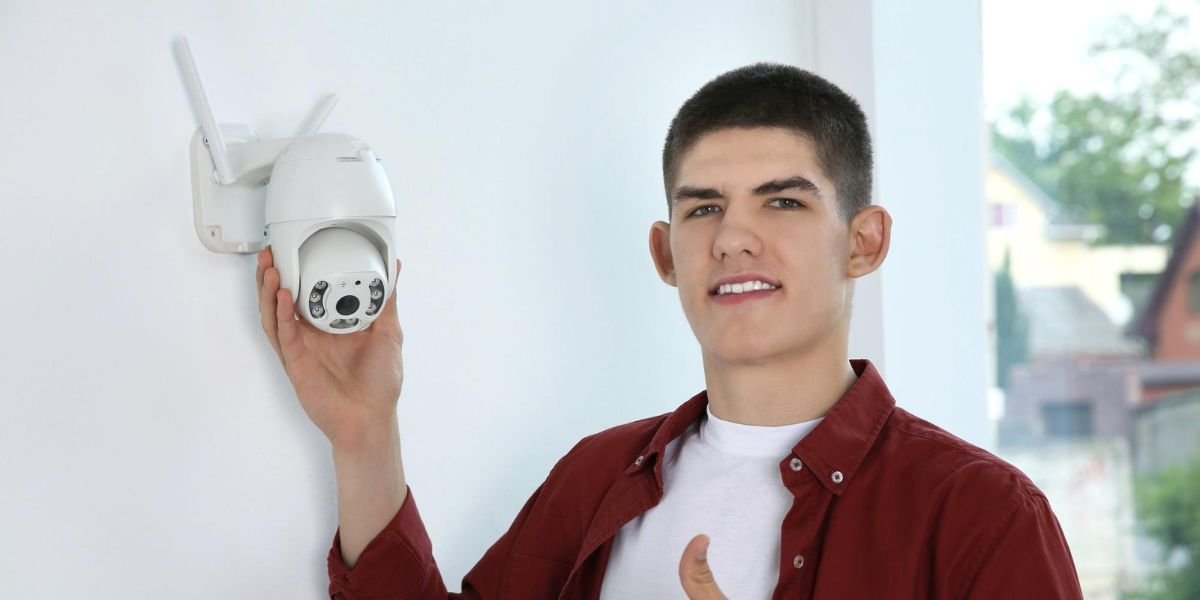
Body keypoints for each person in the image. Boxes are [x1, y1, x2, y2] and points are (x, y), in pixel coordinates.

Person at [256, 63, 1084, 599]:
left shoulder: (980, 514)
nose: (733, 237)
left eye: (783, 200)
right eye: (704, 208)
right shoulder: (593, 480)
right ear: (666, 253)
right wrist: (365, 436)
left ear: (863, 242)